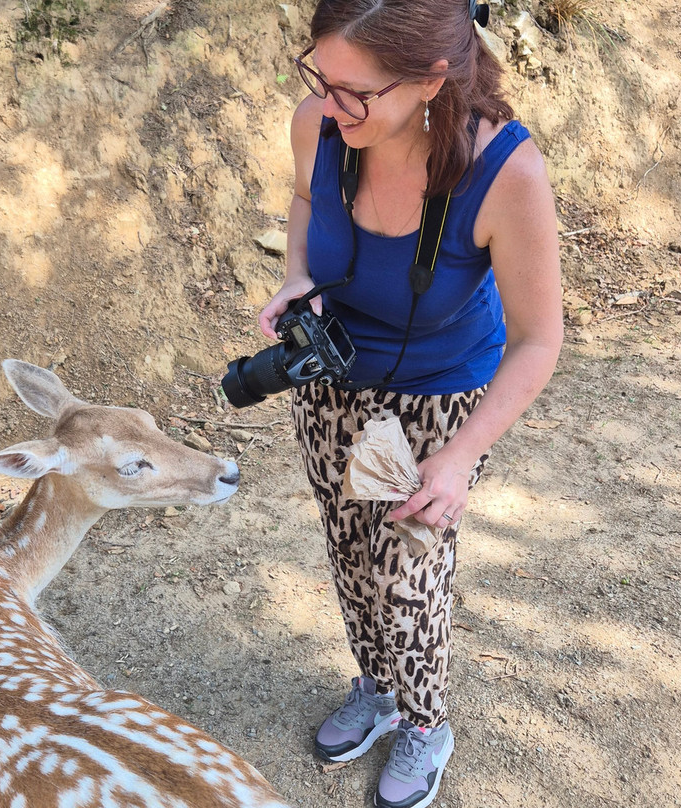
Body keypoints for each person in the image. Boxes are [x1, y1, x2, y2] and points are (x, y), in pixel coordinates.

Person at [256, 2, 563, 807]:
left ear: (430, 80)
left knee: (407, 576)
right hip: (332, 382)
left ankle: (426, 724)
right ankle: (377, 689)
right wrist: (297, 278)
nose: (332, 106)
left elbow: (538, 340)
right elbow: (302, 202)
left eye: (357, 92)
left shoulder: (505, 171)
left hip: (436, 400)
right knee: (351, 553)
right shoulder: (320, 125)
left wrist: (459, 459)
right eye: (323, 79)